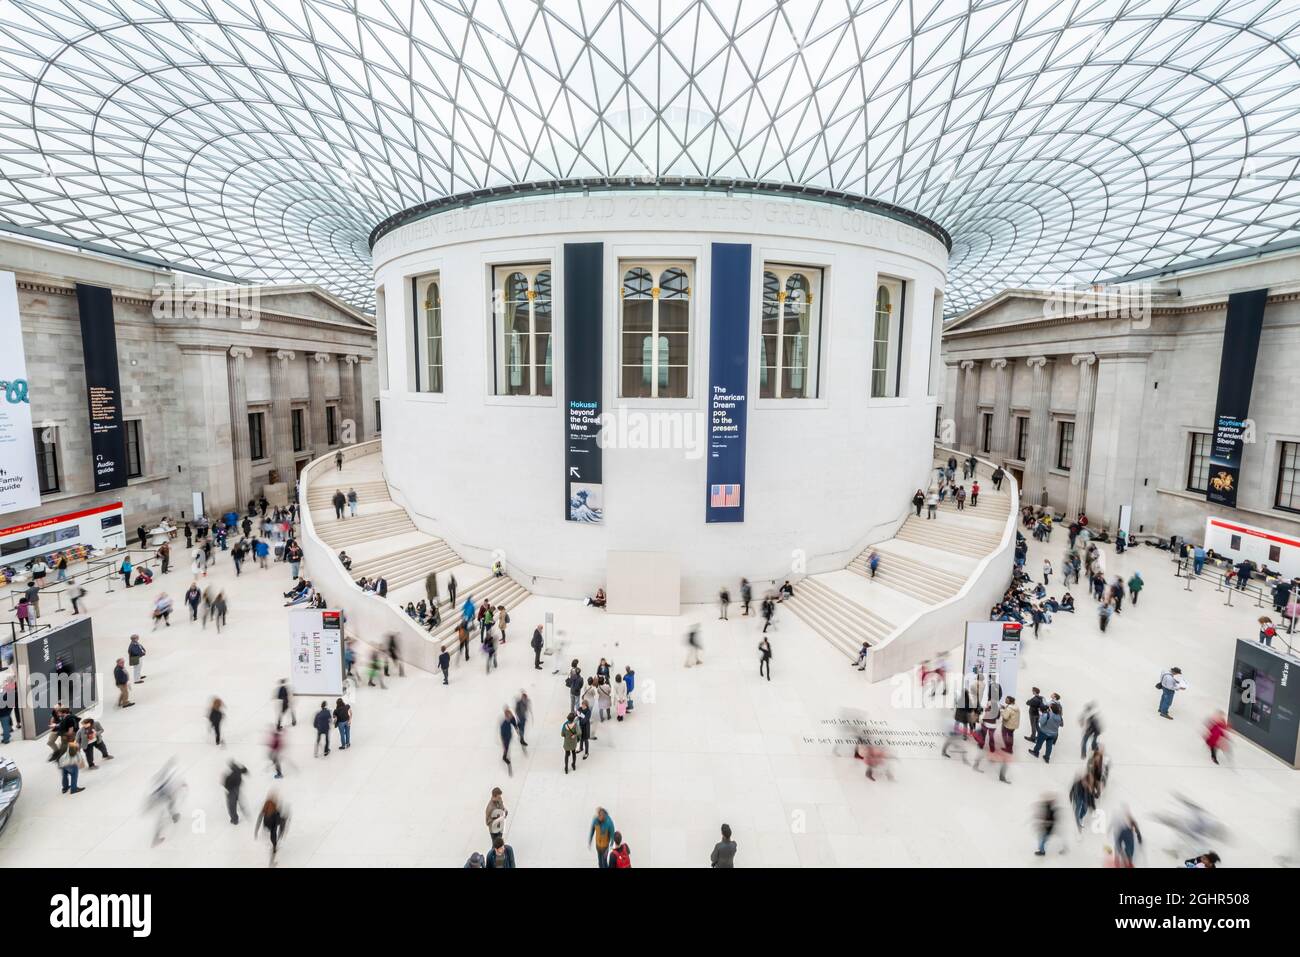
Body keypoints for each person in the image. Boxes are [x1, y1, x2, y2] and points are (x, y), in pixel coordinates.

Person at [255, 796, 289, 866]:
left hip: (267, 829)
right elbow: (280, 822)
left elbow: (259, 819)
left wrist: (256, 830)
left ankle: (273, 850)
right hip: (271, 830)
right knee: (273, 847)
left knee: (272, 844)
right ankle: (271, 863)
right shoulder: (275, 812)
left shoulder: (265, 810)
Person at [499, 707, 517, 776]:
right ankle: (506, 760)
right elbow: (502, 735)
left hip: (508, 738)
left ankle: (505, 756)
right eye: (509, 715)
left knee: (507, 749)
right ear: (506, 716)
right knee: (506, 750)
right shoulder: (503, 724)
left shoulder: (510, 719)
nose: (511, 715)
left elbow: (514, 722)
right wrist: (503, 743)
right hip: (506, 739)